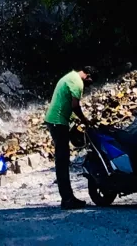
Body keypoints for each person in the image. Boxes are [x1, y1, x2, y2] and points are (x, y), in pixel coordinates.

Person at [44, 67, 90, 209]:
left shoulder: (70, 76)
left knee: (63, 159)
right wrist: (85, 121)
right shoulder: (78, 83)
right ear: (88, 76)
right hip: (58, 122)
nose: (89, 85)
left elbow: (65, 100)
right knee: (62, 160)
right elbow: (75, 106)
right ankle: (67, 199)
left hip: (55, 120)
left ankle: (68, 197)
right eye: (90, 82)